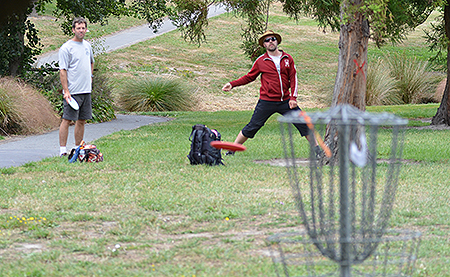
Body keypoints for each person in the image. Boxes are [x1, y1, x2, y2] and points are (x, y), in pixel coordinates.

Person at [222, 30, 318, 155]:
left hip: (286, 102)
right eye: (267, 40)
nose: (270, 41)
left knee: (304, 124)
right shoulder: (261, 61)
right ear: (264, 45)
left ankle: (318, 151)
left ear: (277, 41)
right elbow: (249, 77)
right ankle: (232, 150)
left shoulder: (287, 58)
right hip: (267, 101)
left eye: (272, 39)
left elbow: (293, 78)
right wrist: (233, 84)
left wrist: (293, 97)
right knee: (252, 126)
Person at [58, 17, 95, 156]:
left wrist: (90, 78)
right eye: (78, 28)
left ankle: (78, 149)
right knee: (67, 120)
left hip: (86, 91)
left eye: (83, 28)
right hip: (72, 92)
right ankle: (62, 150)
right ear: (73, 30)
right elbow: (63, 70)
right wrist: (66, 90)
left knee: (82, 120)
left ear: (86, 29)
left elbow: (91, 62)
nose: (81, 30)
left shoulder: (87, 46)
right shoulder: (66, 48)